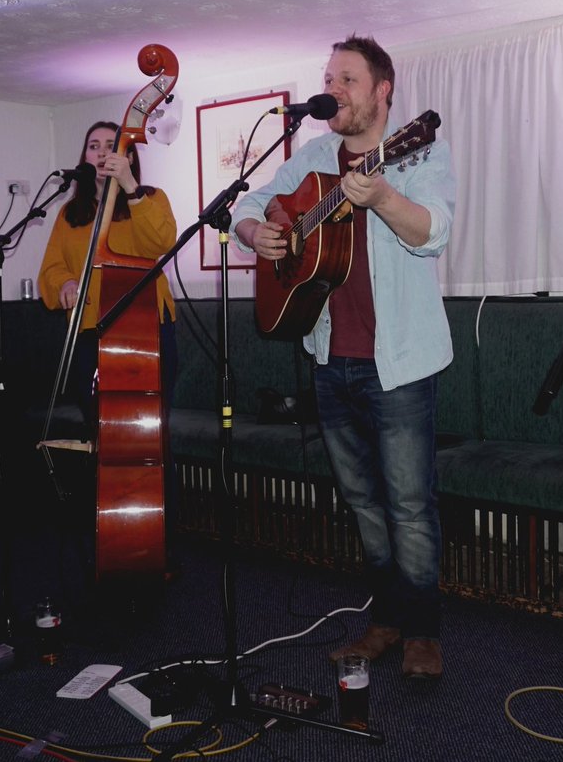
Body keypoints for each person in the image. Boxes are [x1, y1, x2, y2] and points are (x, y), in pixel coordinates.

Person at [231, 35, 457, 679]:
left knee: (410, 505)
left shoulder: (421, 152)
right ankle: (385, 620)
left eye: (349, 79)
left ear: (383, 90)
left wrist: (382, 197)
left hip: (400, 365)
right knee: (361, 502)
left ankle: (423, 631)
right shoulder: (314, 156)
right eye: (329, 76)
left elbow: (434, 232)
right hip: (329, 354)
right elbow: (250, 207)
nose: (334, 88)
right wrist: (263, 233)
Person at [36, 122, 179, 560]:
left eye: (110, 146)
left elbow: (161, 242)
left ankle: (158, 537)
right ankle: (111, 533)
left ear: (129, 155)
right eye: (92, 145)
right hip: (88, 336)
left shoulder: (149, 199)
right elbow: (51, 268)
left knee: (149, 439)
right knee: (102, 436)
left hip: (145, 334)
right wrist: (62, 284)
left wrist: (130, 186)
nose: (100, 153)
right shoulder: (69, 214)